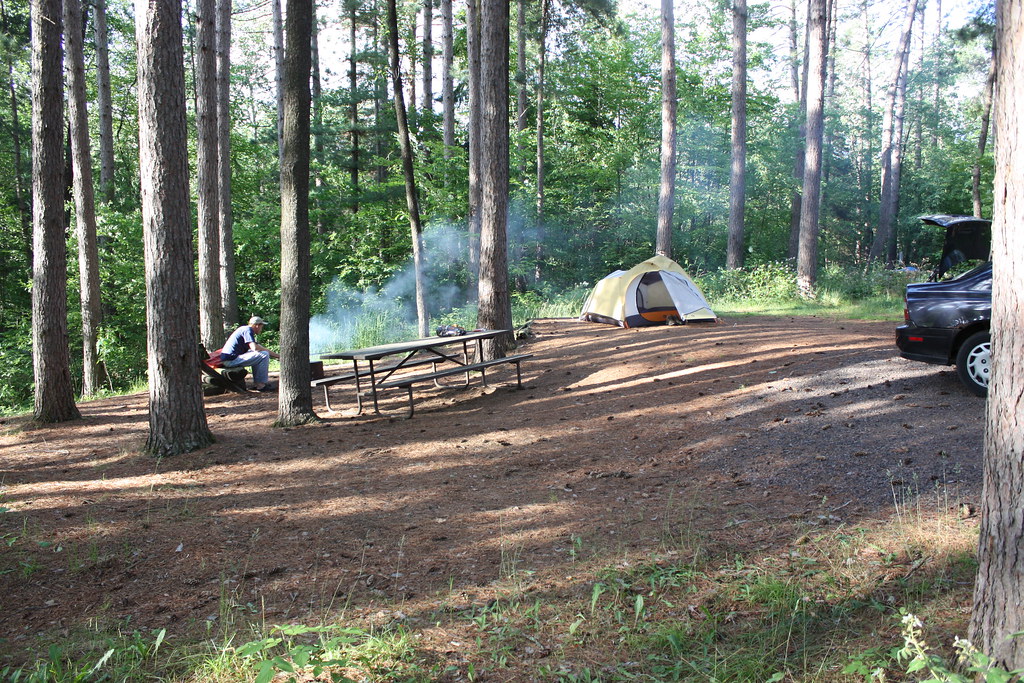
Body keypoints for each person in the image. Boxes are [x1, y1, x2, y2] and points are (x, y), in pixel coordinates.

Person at [220, 316, 279, 392]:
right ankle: (261, 385)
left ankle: (258, 384)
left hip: (230, 359)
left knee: (260, 354)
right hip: (231, 360)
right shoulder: (248, 330)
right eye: (261, 326)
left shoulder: (244, 330)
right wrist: (277, 356)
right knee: (264, 355)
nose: (261, 329)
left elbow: (259, 347)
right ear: (256, 325)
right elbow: (254, 347)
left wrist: (278, 356)